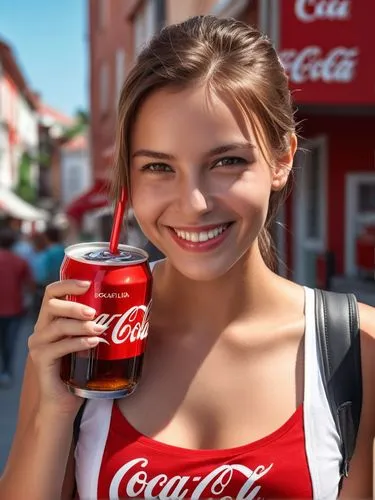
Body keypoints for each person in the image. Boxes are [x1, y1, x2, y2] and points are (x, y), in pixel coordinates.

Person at [0, 15, 374, 499]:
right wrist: (52, 409)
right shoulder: (81, 342)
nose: (194, 203)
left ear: (281, 158)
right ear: (128, 178)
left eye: (227, 162)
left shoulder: (356, 348)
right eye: (159, 166)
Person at [0, 228, 34, 387]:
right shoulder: (20, 261)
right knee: (9, 342)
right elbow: (30, 286)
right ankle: (6, 371)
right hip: (14, 307)